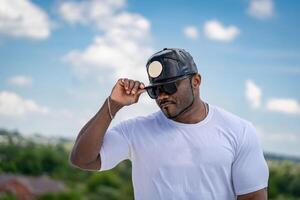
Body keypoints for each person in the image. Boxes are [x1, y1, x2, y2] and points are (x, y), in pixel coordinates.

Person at [70, 48, 269, 200]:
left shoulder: (240, 131)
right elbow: (82, 159)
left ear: (196, 81)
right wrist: (112, 104)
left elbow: (253, 196)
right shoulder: (135, 131)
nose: (162, 96)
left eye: (169, 87)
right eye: (155, 91)